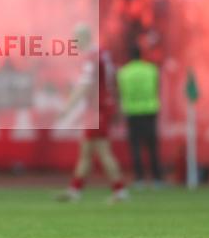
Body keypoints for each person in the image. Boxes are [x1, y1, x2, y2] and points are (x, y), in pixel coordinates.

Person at [57, 25, 128, 203]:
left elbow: (84, 85)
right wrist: (116, 105)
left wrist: (68, 107)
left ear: (84, 38)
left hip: (98, 109)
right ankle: (75, 190)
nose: (74, 43)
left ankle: (120, 191)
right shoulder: (103, 53)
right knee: (87, 151)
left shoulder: (91, 57)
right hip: (101, 106)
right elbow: (113, 80)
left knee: (103, 151)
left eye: (76, 39)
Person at [117, 44, 163, 186]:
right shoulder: (151, 70)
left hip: (132, 112)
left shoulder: (123, 72)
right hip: (150, 110)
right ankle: (157, 179)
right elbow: (157, 88)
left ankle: (139, 179)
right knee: (152, 147)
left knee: (135, 147)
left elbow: (121, 92)